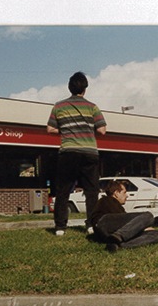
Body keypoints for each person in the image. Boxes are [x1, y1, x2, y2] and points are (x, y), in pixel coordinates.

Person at [47, 71, 107, 236]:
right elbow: (102, 131)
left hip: (68, 152)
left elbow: (50, 129)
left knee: (63, 190)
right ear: (85, 89)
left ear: (69, 88)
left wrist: (66, 129)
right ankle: (91, 225)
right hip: (89, 152)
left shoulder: (58, 106)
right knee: (91, 191)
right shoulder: (92, 107)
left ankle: (60, 227)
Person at [91, 179, 158, 252]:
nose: (127, 196)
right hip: (104, 222)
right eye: (124, 192)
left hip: (108, 235)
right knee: (148, 216)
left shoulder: (114, 205)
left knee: (156, 235)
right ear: (116, 193)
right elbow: (125, 223)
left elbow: (126, 224)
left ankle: (119, 245)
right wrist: (142, 227)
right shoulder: (107, 200)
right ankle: (118, 236)